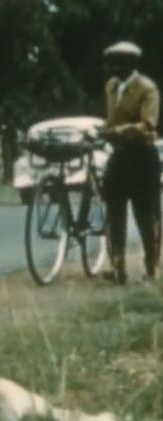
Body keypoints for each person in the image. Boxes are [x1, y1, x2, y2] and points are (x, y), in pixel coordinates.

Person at [102, 41, 161, 283]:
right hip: (120, 155)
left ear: (133, 63)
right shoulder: (111, 86)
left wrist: (121, 130)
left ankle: (151, 266)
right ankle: (118, 266)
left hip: (142, 156)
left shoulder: (148, 88)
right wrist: (104, 131)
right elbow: (110, 120)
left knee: (144, 214)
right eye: (113, 61)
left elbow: (148, 124)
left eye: (122, 61)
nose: (116, 66)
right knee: (114, 211)